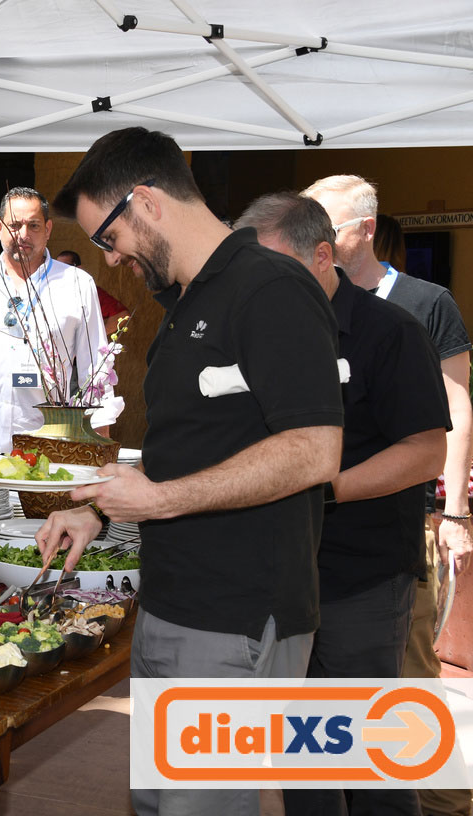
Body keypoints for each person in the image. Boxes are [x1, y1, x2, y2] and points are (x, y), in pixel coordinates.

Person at [45, 127, 344, 816]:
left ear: (146, 202)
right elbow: (189, 449)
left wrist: (160, 501)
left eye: (109, 238)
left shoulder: (270, 288)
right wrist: (97, 508)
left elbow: (314, 450)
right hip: (172, 608)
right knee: (158, 804)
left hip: (237, 618)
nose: (111, 259)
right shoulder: (186, 304)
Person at [236, 192, 448, 816]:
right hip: (280, 580)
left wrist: (325, 487)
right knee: (304, 762)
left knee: (371, 763)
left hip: (361, 578)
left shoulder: (390, 332)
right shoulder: (258, 336)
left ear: (323, 256)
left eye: (274, 268)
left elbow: (426, 453)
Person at [304, 174, 473, 816]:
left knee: (410, 674)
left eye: (327, 226)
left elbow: (456, 408)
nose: (314, 239)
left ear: (366, 229)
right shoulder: (300, 306)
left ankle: (444, 801)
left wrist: (453, 511)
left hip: (395, 531)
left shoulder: (425, 303)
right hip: (315, 552)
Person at [0, 188, 121, 455]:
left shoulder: (76, 284)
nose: (23, 234)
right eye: (14, 225)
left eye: (33, 225)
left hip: (48, 439)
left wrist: (100, 436)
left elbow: (95, 366)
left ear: (48, 229)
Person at [56, 249, 129, 336]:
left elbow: (122, 315)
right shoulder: (50, 290)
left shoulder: (88, 291)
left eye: (65, 267)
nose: (61, 271)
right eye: (57, 267)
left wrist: (97, 337)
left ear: (78, 269)